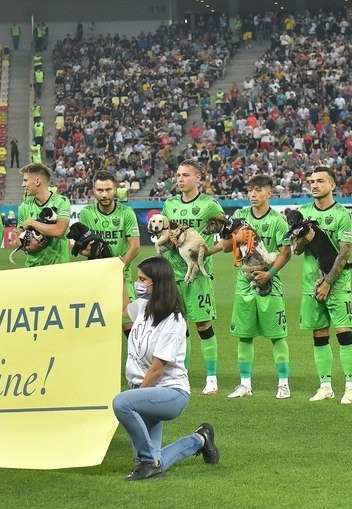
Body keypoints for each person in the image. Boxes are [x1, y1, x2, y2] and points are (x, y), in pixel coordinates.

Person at [111, 257, 220, 481]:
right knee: (152, 459)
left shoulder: (174, 321)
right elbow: (123, 310)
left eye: (142, 279)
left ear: (158, 283)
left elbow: (158, 368)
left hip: (170, 393)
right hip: (145, 390)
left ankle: (149, 461)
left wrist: (135, 397)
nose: (138, 283)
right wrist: (121, 278)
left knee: (121, 403)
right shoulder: (143, 306)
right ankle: (201, 439)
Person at [216, 175, 292, 400]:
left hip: (270, 282)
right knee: (244, 335)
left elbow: (285, 252)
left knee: (277, 336)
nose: (253, 194)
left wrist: (269, 274)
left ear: (269, 193)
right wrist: (230, 236)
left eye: (258, 190)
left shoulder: (278, 220)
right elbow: (228, 246)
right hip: (244, 284)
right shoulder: (240, 215)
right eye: (250, 190)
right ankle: (245, 384)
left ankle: (283, 383)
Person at [295, 167, 352, 404]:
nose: (314, 185)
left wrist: (328, 282)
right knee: (319, 334)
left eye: (320, 181)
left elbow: (345, 253)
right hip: (310, 283)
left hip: (338, 285)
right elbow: (296, 250)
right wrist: (304, 239)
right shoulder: (303, 212)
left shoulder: (342, 214)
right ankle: (325, 386)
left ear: (332, 186)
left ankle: (350, 387)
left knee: (344, 333)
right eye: (311, 181)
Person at [161, 159, 225, 395]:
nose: (179, 179)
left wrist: (210, 250)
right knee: (179, 327)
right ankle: (181, 376)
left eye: (185, 175)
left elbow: (227, 235)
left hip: (198, 276)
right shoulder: (170, 205)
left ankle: (211, 378)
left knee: (203, 324)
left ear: (198, 178)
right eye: (178, 175)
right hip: (173, 275)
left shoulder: (210, 205)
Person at [77, 170, 140, 295]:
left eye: (108, 190)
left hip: (121, 273)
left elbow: (135, 246)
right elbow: (81, 247)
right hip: (95, 274)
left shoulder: (127, 212)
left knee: (125, 313)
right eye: (100, 190)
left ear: (115, 189)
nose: (104, 194)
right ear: (94, 191)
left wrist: (119, 266)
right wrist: (84, 251)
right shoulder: (86, 213)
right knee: (98, 313)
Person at [15, 163, 71, 267]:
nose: (22, 185)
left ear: (37, 181)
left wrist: (32, 223)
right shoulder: (24, 206)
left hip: (58, 268)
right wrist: (27, 246)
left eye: (25, 180)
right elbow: (18, 237)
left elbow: (59, 231)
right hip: (32, 268)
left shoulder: (61, 202)